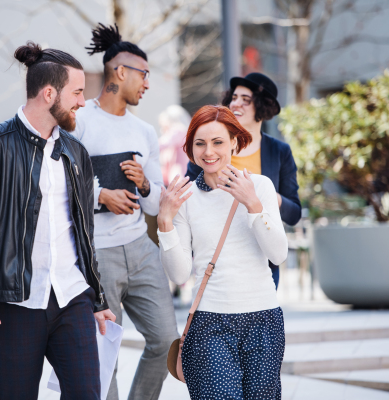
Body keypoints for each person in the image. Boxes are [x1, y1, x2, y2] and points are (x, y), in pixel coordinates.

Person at [0, 42, 115, 400]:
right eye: (78, 92)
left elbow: (84, 235)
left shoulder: (76, 152)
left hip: (72, 298)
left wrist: (97, 300)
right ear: (49, 93)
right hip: (14, 305)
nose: (83, 102)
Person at [72, 23, 179, 400]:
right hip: (97, 254)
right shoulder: (80, 122)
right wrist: (102, 195)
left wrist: (146, 185)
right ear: (120, 71)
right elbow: (60, 185)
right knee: (106, 352)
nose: (147, 84)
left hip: (141, 247)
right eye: (144, 74)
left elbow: (152, 201)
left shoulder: (145, 132)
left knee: (167, 341)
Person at [158, 105, 288, 399]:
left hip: (263, 320)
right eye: (200, 143)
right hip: (210, 324)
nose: (209, 151)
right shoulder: (186, 197)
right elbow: (179, 274)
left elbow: (278, 255)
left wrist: (252, 204)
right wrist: (165, 222)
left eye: (218, 142)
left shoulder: (260, 186)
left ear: (234, 141)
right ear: (190, 148)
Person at [186, 72, 300, 288]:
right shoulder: (208, 151)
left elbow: (294, 213)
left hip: (262, 260)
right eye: (234, 97)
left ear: (263, 106)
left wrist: (263, 196)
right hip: (215, 260)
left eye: (246, 100)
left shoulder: (279, 151)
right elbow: (189, 195)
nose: (236, 104)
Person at [158, 105, 191, 187]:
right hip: (177, 180)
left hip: (180, 180)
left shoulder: (178, 131)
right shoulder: (184, 133)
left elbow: (161, 145)